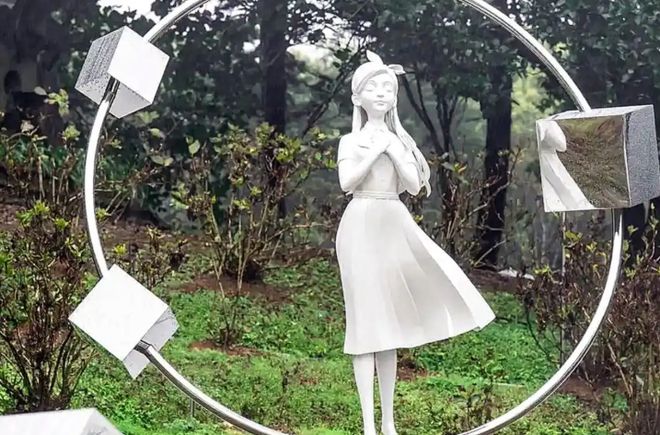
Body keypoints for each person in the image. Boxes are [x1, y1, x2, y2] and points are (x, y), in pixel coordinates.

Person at [335, 51, 496, 435]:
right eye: (372, 87)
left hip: (393, 223)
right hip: (359, 225)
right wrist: (376, 150)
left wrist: (393, 148)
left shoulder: (399, 141)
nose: (381, 93)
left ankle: (388, 422)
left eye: (387, 88)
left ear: (394, 98)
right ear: (357, 96)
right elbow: (347, 183)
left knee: (387, 327)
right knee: (364, 325)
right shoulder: (350, 141)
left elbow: (411, 185)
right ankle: (368, 424)